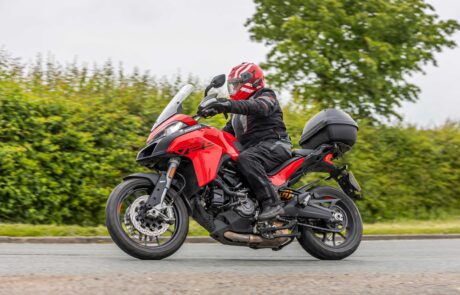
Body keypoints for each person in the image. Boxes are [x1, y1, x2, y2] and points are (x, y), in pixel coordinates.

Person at [198, 62, 292, 220]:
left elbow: (258, 107)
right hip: (255, 150)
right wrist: (201, 136)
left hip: (275, 145)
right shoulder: (236, 117)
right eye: (232, 85)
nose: (233, 89)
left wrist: (226, 105)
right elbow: (223, 136)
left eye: (237, 84)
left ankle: (272, 204)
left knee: (246, 158)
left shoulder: (266, 96)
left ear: (251, 82)